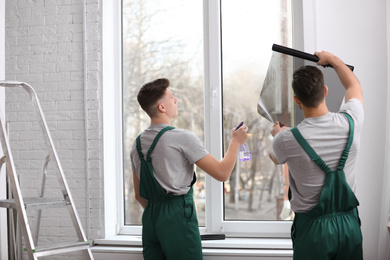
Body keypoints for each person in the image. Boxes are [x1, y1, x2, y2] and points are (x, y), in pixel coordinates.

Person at [130, 78, 248, 260]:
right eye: (171, 97)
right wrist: (235, 142)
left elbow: (138, 195)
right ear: (162, 107)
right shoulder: (180, 137)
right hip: (177, 216)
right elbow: (222, 173)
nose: (175, 99)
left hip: (151, 219)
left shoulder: (136, 144)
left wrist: (159, 213)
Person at [269, 51, 364, 260]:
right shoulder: (352, 122)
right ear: (326, 91)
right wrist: (331, 60)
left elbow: (275, 157)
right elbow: (353, 86)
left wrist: (277, 134)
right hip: (349, 227)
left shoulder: (287, 140)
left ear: (297, 100)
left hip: (313, 232)